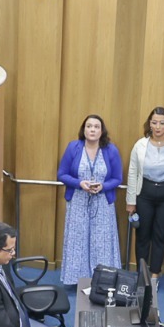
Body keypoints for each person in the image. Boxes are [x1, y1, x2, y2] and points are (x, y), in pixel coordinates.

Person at [57, 114, 123, 284]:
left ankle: (103, 279)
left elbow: (117, 178)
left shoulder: (111, 150)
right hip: (78, 201)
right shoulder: (73, 147)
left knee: (101, 242)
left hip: (102, 203)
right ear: (83, 129)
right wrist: (80, 184)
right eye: (89, 126)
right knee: (78, 240)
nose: (92, 130)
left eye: (96, 127)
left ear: (102, 131)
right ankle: (77, 279)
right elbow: (61, 174)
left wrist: (103, 187)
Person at [124, 106, 164, 283]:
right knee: (143, 236)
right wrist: (130, 201)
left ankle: (154, 275)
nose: (158, 127)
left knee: (160, 236)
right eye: (154, 122)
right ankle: (141, 275)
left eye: (162, 123)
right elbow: (132, 172)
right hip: (144, 193)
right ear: (149, 124)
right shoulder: (140, 145)